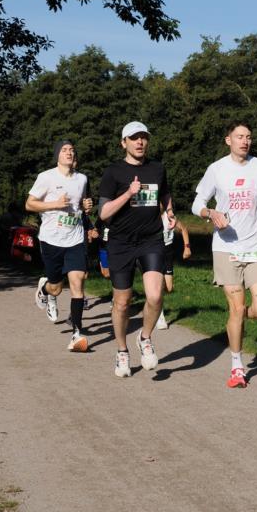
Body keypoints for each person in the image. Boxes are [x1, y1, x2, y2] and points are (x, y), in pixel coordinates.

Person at [191, 121, 257, 388]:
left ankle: (237, 317)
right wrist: (211, 213)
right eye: (239, 136)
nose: (245, 141)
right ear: (228, 140)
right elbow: (197, 204)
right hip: (226, 249)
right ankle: (237, 366)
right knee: (237, 307)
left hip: (254, 247)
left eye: (248, 137)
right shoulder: (216, 170)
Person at [98, 122, 174, 378]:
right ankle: (122, 350)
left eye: (143, 138)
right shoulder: (113, 172)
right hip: (121, 242)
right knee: (122, 303)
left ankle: (145, 337)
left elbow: (164, 195)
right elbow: (104, 213)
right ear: (124, 143)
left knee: (155, 295)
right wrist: (128, 194)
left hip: (151, 239)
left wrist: (170, 212)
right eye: (134, 138)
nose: (140, 142)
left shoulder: (157, 169)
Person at [26, 140, 93, 352]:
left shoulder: (82, 178)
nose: (69, 153)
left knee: (77, 282)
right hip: (51, 239)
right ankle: (44, 289)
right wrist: (54, 204)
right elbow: (29, 204)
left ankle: (77, 334)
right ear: (57, 155)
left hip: (75, 238)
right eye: (64, 150)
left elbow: (84, 203)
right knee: (56, 287)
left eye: (72, 150)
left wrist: (87, 205)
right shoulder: (46, 177)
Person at [156, 210, 191, 330]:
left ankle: (153, 302)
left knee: (169, 288)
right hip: (154, 252)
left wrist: (187, 248)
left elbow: (184, 229)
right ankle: (160, 316)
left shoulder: (169, 216)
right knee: (159, 285)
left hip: (168, 252)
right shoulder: (149, 216)